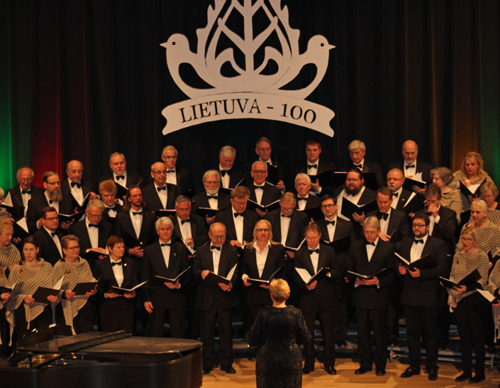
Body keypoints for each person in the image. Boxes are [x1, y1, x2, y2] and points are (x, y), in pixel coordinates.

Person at [397, 214, 448, 381]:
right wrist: (401, 270)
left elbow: (442, 268)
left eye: (420, 225)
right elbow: (398, 263)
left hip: (428, 295)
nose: (416, 228)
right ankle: (414, 366)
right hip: (409, 295)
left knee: (430, 334)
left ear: (428, 227)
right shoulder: (405, 243)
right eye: (414, 225)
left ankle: (432, 367)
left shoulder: (438, 244)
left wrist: (422, 273)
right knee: (411, 333)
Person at [346, 216, 395, 376]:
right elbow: (349, 268)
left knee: (380, 335)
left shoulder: (387, 248)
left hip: (378, 297)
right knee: (362, 333)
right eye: (366, 232)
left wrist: (378, 281)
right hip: (360, 297)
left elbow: (392, 274)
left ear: (379, 231)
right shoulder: (355, 246)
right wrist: (356, 280)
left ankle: (380, 365)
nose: (369, 235)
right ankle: (365, 363)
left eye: (372, 232)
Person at [192, 222, 239, 375]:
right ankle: (207, 364)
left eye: (222, 236)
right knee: (206, 333)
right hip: (206, 298)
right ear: (209, 235)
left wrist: (230, 285)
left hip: (225, 297)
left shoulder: (232, 251)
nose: (219, 239)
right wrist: (202, 273)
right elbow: (194, 271)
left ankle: (226, 364)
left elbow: (236, 272)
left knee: (227, 333)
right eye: (216, 236)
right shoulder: (200, 250)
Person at [293, 223, 340, 375]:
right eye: (309, 238)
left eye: (314, 238)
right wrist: (306, 285)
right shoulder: (299, 254)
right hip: (307, 298)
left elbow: (338, 271)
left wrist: (328, 274)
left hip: (326, 297)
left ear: (320, 236)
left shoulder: (330, 250)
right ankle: (309, 363)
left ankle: (329, 363)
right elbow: (295, 276)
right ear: (305, 238)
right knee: (308, 333)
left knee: (328, 333)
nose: (312, 241)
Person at [246, 279, 310, 388]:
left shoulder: (264, 314)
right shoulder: (296, 313)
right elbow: (306, 337)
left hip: (268, 359)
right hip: (291, 358)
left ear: (271, 295)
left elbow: (251, 338)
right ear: (288, 295)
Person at [446, 227, 489, 384]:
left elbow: (483, 279)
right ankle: (466, 371)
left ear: (475, 241)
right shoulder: (458, 255)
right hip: (460, 299)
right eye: (463, 239)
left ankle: (480, 372)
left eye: (468, 239)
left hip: (476, 300)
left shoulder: (482, 256)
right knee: (464, 338)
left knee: (477, 338)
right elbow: (452, 273)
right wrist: (450, 283)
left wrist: (467, 288)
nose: (465, 242)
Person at [141, 217, 190, 338]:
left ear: (172, 231)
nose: (165, 231)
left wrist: (179, 285)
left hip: (176, 296)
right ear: (158, 231)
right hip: (156, 297)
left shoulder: (181, 248)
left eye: (168, 229)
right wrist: (146, 298)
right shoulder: (149, 250)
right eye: (162, 229)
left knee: (178, 334)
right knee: (156, 333)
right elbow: (145, 275)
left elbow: (187, 272)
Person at [6, 236, 58, 340]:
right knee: (27, 344)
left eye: (31, 249)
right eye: (25, 249)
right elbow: (10, 294)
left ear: (37, 250)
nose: (28, 253)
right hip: (24, 313)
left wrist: (55, 297)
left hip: (44, 311)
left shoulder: (47, 267)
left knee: (44, 344)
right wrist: (23, 298)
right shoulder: (17, 269)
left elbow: (55, 288)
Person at [241, 220, 286, 322]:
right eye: (260, 230)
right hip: (252, 294)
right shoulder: (248, 249)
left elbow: (283, 271)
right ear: (255, 232)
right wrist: (245, 278)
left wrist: (274, 283)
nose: (263, 232)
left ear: (270, 232)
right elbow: (243, 268)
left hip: (271, 295)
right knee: (254, 326)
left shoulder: (278, 248)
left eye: (266, 230)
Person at [93, 236, 138, 334]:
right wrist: (105, 294)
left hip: (127, 305)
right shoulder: (100, 264)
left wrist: (133, 293)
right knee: (109, 334)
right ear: (110, 248)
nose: (122, 249)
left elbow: (134, 281)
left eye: (123, 247)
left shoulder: (130, 262)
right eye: (118, 247)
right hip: (108, 305)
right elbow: (97, 285)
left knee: (126, 334)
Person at [53, 235, 96, 335]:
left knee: (87, 338)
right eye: (72, 248)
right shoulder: (59, 266)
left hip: (85, 307)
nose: (76, 250)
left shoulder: (84, 263)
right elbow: (53, 289)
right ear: (64, 250)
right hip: (66, 307)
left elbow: (91, 281)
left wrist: (93, 290)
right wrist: (64, 294)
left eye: (77, 247)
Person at [114, 186, 156, 262]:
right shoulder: (120, 217)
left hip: (147, 259)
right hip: (128, 259)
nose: (138, 198)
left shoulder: (151, 216)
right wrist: (129, 250)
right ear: (129, 199)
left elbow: (154, 238)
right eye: (135, 196)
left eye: (140, 195)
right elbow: (117, 238)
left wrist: (146, 251)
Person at [69, 199, 112, 268]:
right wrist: (89, 250)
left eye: (99, 215)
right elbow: (72, 251)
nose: (97, 219)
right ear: (86, 212)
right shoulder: (75, 228)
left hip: (103, 267)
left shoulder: (107, 226)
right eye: (94, 215)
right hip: (83, 267)